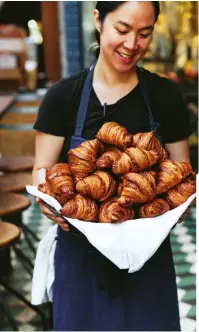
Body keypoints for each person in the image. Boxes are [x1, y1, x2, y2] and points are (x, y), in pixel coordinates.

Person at [32, 2, 192, 331]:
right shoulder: (63, 97)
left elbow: (183, 176)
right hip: (79, 255)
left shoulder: (165, 96)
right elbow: (42, 171)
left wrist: (175, 207)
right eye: (122, 30)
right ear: (98, 20)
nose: (132, 45)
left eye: (144, 34)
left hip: (147, 256)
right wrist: (48, 200)